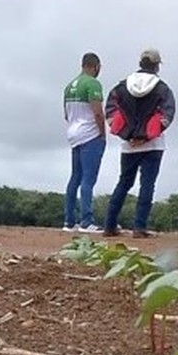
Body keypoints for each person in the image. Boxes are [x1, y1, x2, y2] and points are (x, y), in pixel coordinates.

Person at [102, 48, 176, 239]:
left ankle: (109, 226)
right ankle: (139, 228)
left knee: (124, 182)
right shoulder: (162, 88)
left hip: (128, 146)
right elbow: (167, 114)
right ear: (157, 65)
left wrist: (127, 135)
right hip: (153, 145)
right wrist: (146, 136)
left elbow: (110, 111)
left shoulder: (122, 86)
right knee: (147, 185)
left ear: (140, 63)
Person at [62, 52, 107, 232]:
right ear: (95, 66)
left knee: (75, 177)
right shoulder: (92, 84)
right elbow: (97, 112)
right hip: (90, 135)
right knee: (89, 178)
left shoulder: (68, 86)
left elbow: (66, 114)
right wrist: (102, 133)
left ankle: (69, 221)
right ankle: (87, 221)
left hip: (74, 133)